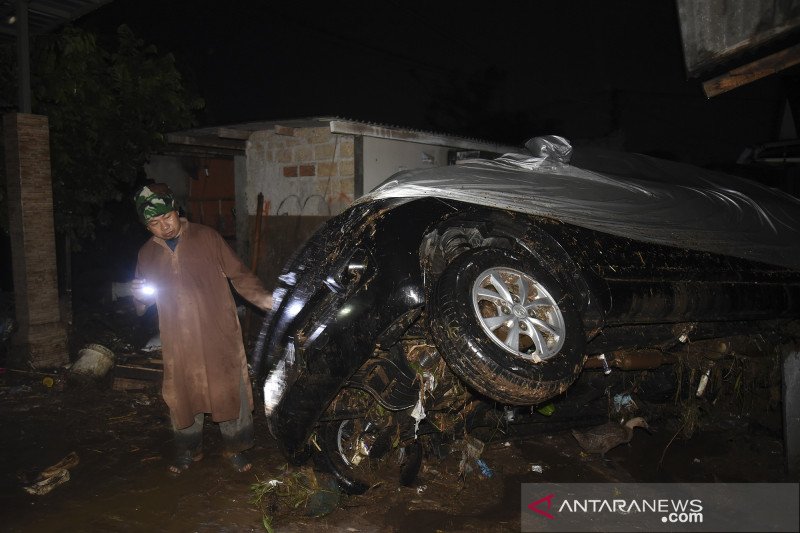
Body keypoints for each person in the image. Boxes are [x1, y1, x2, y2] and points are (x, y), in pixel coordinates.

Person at [131, 183, 272, 475]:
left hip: (216, 332)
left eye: (167, 217)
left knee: (228, 392)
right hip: (177, 340)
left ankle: (235, 448)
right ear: (146, 226)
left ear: (176, 210)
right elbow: (141, 304)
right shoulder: (146, 255)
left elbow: (239, 274)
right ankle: (188, 450)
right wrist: (136, 295)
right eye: (154, 223)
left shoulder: (207, 237)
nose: (164, 226)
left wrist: (268, 302)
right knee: (183, 394)